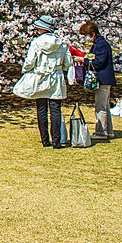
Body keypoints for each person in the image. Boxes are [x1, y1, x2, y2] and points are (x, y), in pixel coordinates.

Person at [13, 15, 73, 149]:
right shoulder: (61, 43)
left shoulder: (36, 42)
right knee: (55, 109)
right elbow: (68, 62)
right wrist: (60, 68)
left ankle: (45, 139)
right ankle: (57, 140)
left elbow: (30, 61)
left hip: (40, 76)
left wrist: (25, 70)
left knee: (41, 109)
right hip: (56, 77)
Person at [81, 20, 116, 141]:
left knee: (100, 106)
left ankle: (101, 131)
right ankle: (108, 131)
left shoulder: (101, 44)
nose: (87, 39)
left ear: (92, 33)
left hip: (103, 79)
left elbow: (98, 62)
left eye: (87, 36)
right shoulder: (99, 43)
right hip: (104, 79)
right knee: (104, 105)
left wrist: (84, 61)